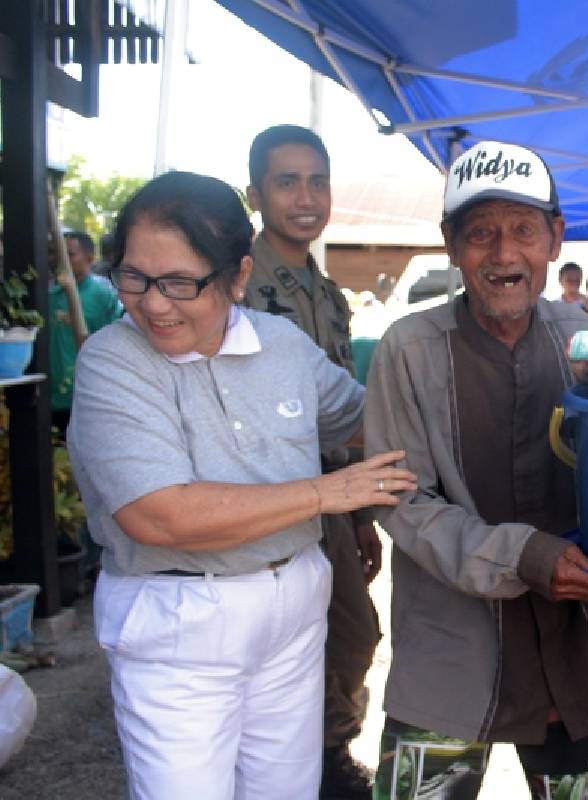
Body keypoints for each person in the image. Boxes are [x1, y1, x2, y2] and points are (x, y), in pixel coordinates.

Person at [65, 170, 415, 799]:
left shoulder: (280, 344)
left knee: (286, 790)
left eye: (179, 282)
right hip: (179, 624)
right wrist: (324, 493)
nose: (153, 302)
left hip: (292, 612)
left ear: (237, 277)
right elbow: (160, 515)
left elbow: (367, 420)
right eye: (134, 277)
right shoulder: (112, 361)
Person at [364, 140, 588, 800]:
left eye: (523, 230)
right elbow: (403, 500)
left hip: (571, 649)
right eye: (480, 233)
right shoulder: (408, 348)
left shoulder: (585, 340)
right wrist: (528, 556)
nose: (504, 253)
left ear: (556, 238)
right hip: (447, 651)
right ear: (451, 245)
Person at [240, 123, 382, 799]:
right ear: (256, 193)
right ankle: (293, 764)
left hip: (333, 495)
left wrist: (360, 520)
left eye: (317, 180)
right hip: (266, 495)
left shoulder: (323, 291)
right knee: (279, 646)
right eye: (286, 180)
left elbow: (343, 407)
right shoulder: (238, 282)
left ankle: (328, 752)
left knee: (353, 633)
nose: (305, 196)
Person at [49, 230, 123, 433]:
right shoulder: (50, 296)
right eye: (55, 253)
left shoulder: (104, 295)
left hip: (88, 394)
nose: (59, 260)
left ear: (89, 259)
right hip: (53, 398)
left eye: (69, 254)